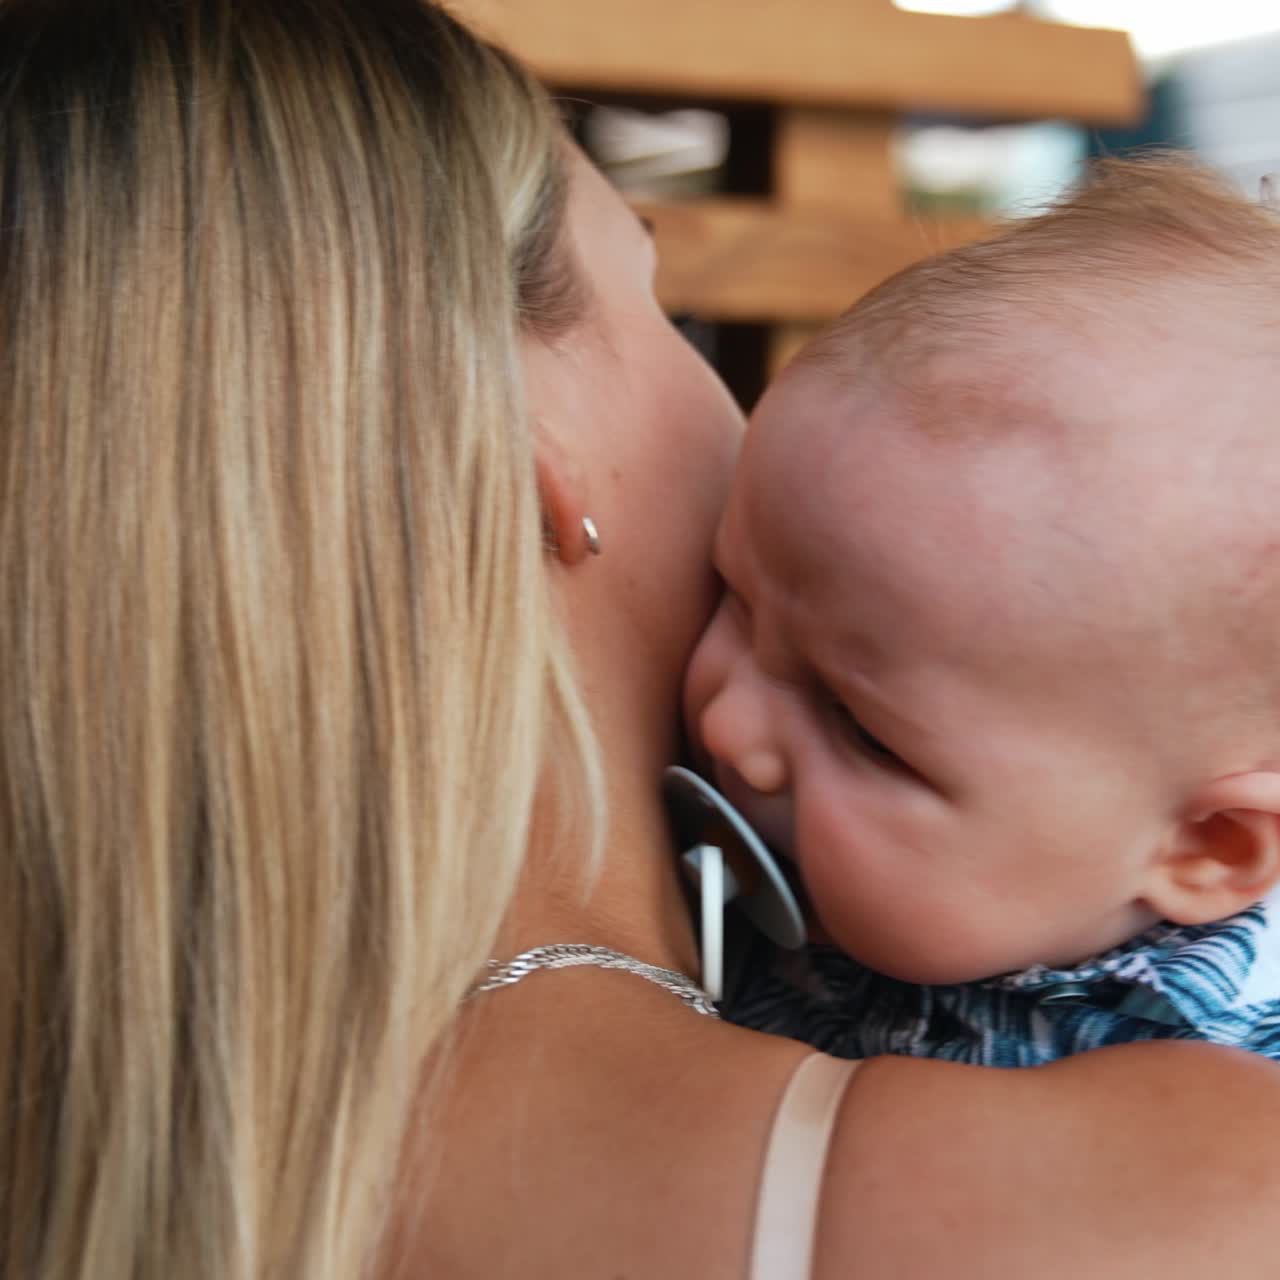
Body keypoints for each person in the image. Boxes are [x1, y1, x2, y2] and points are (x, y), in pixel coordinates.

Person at [3, 5, 1280, 1278]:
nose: (735, 722)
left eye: (863, 726)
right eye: (664, 308)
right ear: (520, 454)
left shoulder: (115, 1122)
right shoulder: (1181, 1188)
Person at [685, 158, 1280, 1067]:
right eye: (735, 593)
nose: (729, 722)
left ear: (1206, 847)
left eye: (863, 730)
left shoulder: (1211, 1093)